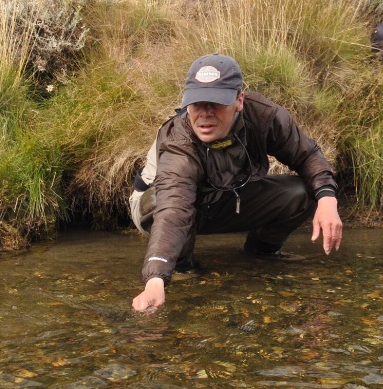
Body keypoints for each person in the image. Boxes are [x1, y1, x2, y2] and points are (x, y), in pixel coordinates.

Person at [129, 54, 343, 313]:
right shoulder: (179, 144)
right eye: (197, 104)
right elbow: (173, 211)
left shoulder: (264, 117)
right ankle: (183, 267)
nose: (205, 115)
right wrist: (156, 279)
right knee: (164, 206)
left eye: (216, 104)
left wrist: (328, 198)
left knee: (302, 192)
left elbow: (307, 155)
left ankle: (262, 253)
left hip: (223, 194)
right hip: (158, 206)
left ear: (239, 100)